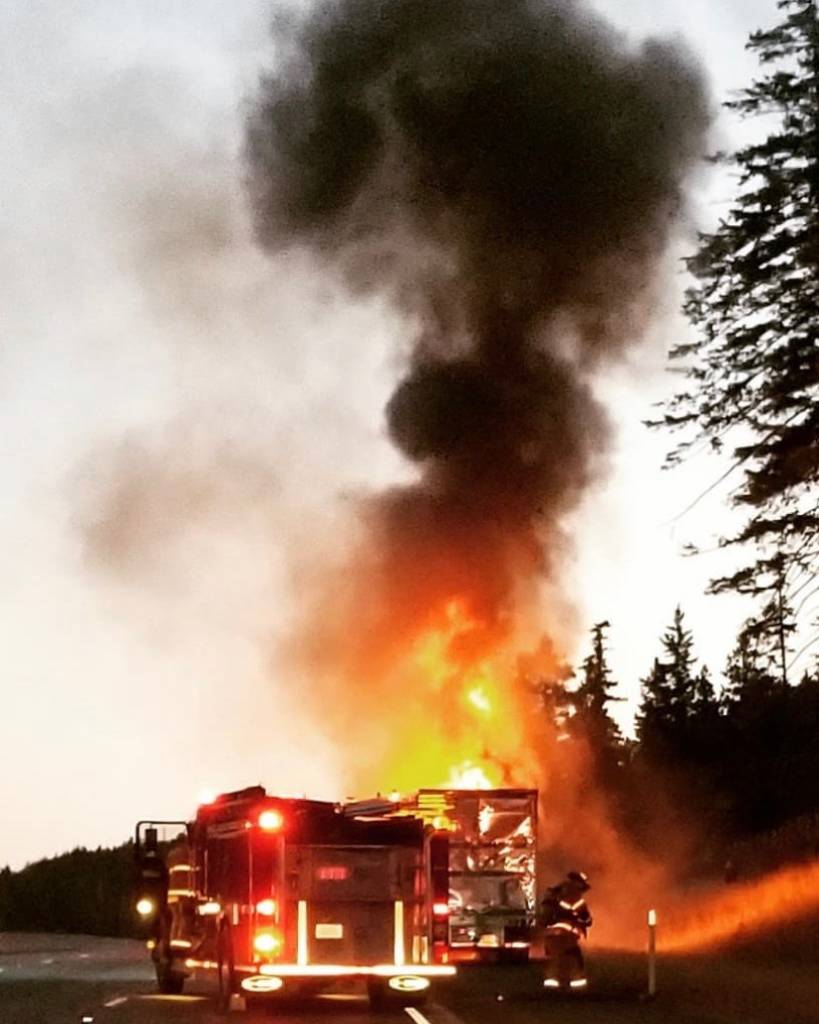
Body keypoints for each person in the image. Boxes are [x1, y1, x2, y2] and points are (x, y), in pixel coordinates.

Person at [540, 870, 592, 991]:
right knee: (573, 959)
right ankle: (577, 986)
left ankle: (552, 986)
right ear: (577, 883)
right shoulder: (572, 892)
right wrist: (586, 920)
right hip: (565, 934)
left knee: (556, 960)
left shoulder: (556, 893)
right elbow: (583, 913)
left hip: (551, 934)